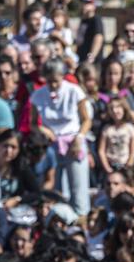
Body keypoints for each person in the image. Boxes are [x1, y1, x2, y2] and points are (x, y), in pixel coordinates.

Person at [29, 59, 92, 216]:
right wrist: (44, 130)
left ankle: (81, 218)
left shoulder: (74, 91)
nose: (53, 85)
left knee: (78, 188)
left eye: (56, 81)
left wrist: (79, 138)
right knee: (56, 189)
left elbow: (86, 120)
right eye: (49, 81)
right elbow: (33, 123)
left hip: (73, 142)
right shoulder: (38, 95)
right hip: (52, 144)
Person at [75, 0, 105, 67]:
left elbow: (98, 37)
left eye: (87, 3)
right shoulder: (83, 20)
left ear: (93, 6)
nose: (84, 5)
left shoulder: (96, 19)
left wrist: (91, 57)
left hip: (92, 63)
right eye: (82, 3)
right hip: (81, 59)